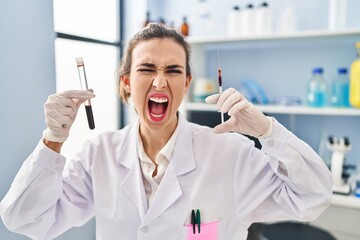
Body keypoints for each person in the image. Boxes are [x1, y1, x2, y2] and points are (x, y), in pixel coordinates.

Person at [0, 23, 332, 240]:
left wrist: (268, 131)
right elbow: (25, 219)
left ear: (186, 83)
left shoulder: (231, 154)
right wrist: (53, 140)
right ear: (127, 82)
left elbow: (313, 197)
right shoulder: (97, 156)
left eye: (173, 70)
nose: (160, 81)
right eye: (146, 69)